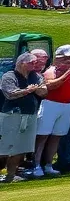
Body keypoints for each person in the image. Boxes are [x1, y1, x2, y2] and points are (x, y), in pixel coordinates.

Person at [32, 45, 70, 178]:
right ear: (59, 59)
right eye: (68, 58)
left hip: (66, 105)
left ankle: (48, 165)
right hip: (50, 105)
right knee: (42, 136)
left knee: (56, 136)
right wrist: (67, 74)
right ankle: (36, 165)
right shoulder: (51, 71)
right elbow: (51, 86)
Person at [0, 52, 46, 182]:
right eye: (32, 62)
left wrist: (36, 89)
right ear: (21, 63)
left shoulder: (35, 76)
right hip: (12, 115)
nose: (35, 64)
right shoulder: (9, 76)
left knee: (20, 148)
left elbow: (44, 91)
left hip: (30, 115)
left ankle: (10, 176)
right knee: (4, 147)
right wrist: (28, 90)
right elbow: (10, 94)